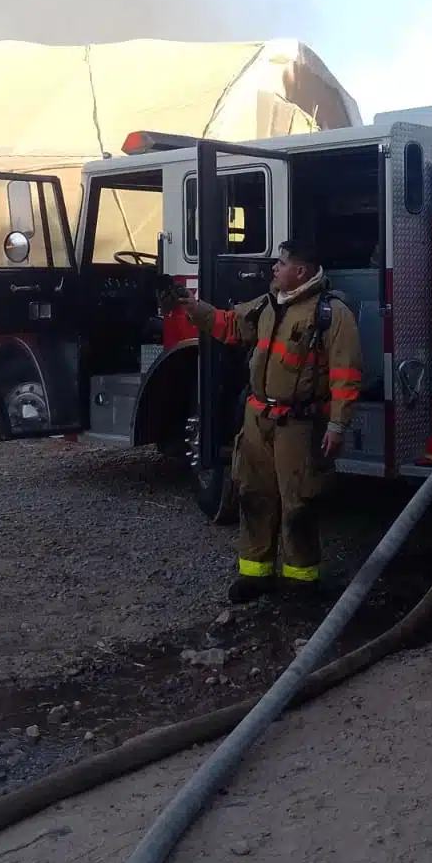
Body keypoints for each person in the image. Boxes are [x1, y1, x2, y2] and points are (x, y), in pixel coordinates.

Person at [162, 241, 362, 603]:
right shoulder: (269, 304)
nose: (274, 268)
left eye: (282, 263)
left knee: (298, 503)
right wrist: (192, 307)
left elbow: (346, 376)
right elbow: (230, 325)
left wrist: (337, 426)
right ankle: (255, 575)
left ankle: (302, 581)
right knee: (253, 495)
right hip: (257, 420)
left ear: (300, 271)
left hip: (298, 426)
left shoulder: (331, 314)